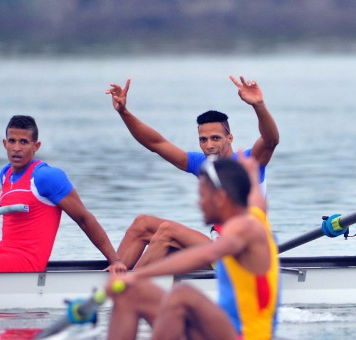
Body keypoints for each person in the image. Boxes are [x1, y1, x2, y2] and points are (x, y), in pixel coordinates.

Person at [104, 155, 279, 340]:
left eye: (202, 195)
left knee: (182, 293)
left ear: (221, 198)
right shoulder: (255, 215)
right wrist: (251, 170)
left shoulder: (245, 228)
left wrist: (135, 275)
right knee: (131, 292)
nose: (199, 203)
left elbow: (207, 254)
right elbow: (258, 201)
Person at [106, 75, 280, 269]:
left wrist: (259, 105)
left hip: (243, 254)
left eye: (215, 138)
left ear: (229, 137)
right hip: (217, 246)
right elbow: (155, 143)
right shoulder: (202, 164)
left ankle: (128, 289)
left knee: (167, 231)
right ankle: (111, 274)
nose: (209, 145)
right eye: (203, 140)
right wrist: (124, 112)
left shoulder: (248, 162)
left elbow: (270, 140)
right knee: (141, 224)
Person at [0, 115, 126, 275]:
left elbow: (84, 219)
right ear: (4, 143)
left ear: (36, 146)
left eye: (23, 142)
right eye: (12, 141)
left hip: (27, 261)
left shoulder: (46, 176)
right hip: (2, 251)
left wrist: (115, 260)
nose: (16, 148)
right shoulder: (5, 173)